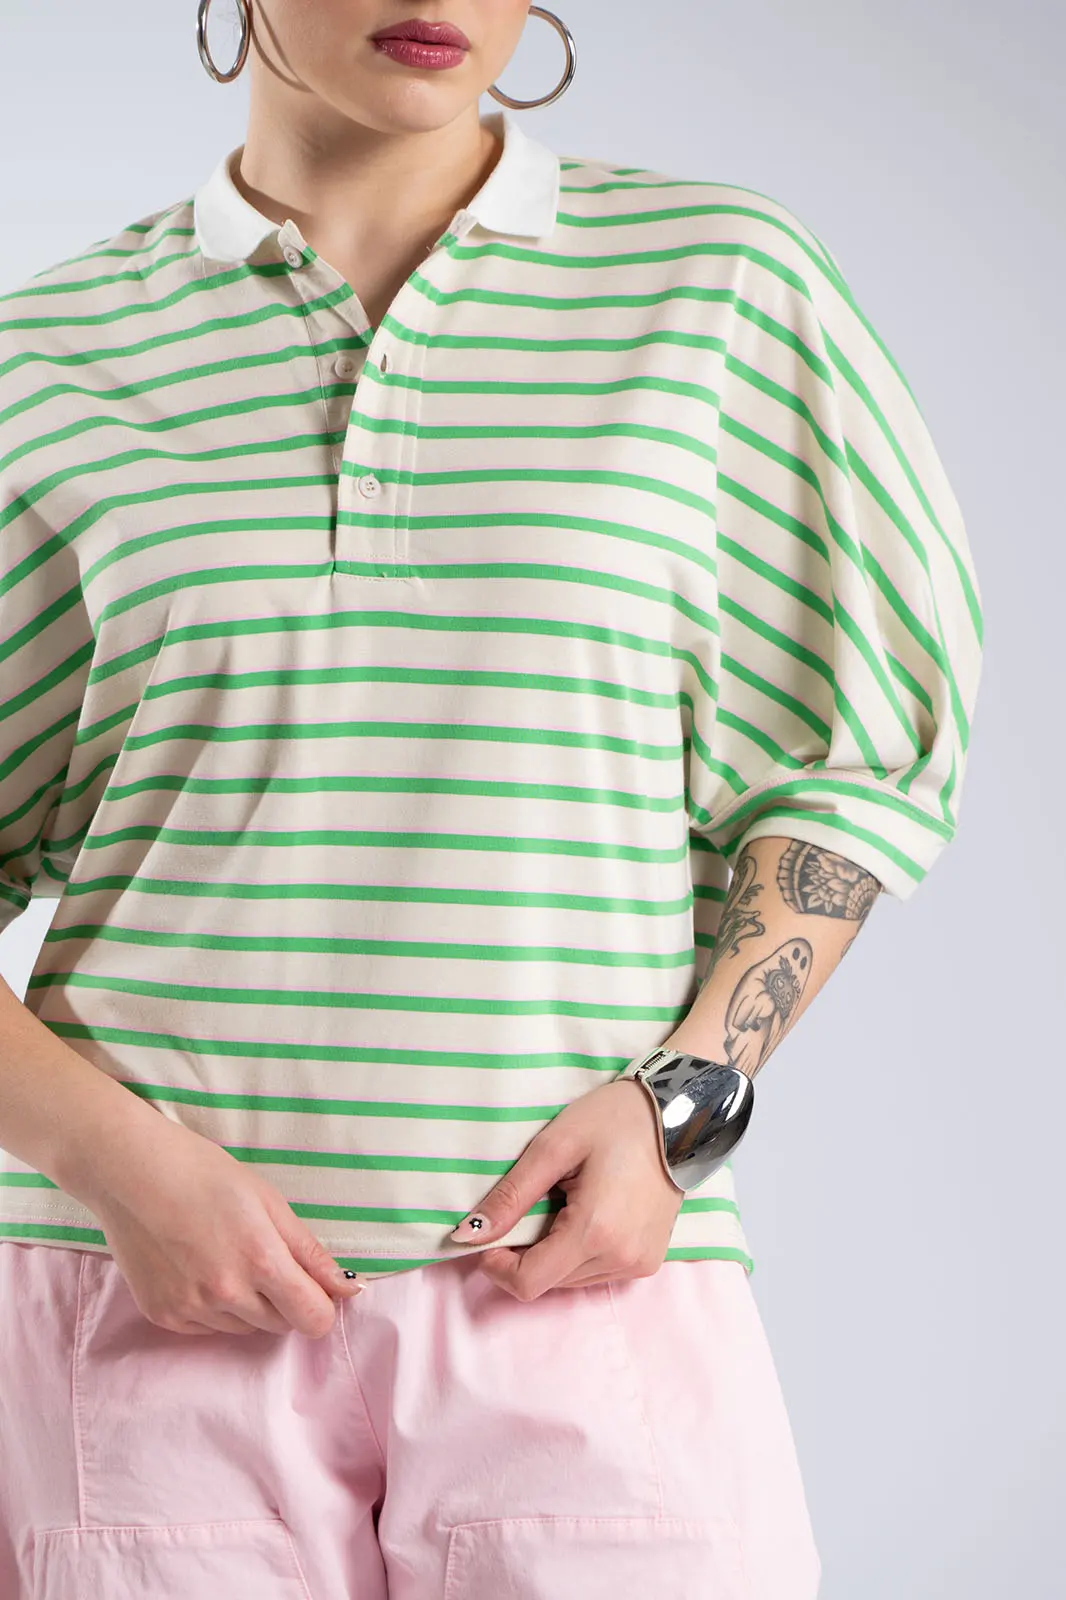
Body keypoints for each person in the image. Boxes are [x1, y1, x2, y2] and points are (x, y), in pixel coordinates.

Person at [0, 3, 983, 1596]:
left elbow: (853, 761)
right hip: (146, 1305)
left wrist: (681, 1104)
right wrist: (114, 1163)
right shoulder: (44, 358)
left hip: (579, 1294)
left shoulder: (715, 287)